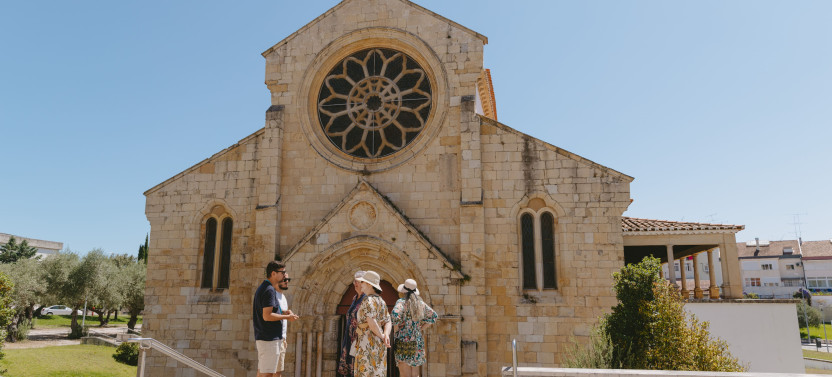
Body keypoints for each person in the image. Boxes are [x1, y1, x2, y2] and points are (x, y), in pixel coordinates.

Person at [253, 261, 299, 377]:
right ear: (273, 273)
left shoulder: (267, 288)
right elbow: (267, 315)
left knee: (266, 372)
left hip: (269, 338)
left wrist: (284, 312)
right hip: (269, 339)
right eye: (282, 272)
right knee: (268, 374)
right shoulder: (269, 290)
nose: (285, 275)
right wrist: (287, 317)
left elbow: (270, 310)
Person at [391, 279, 437, 377]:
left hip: (403, 340)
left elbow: (395, 315)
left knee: (404, 373)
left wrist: (397, 328)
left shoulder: (401, 302)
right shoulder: (420, 303)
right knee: (415, 374)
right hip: (417, 340)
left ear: (404, 291)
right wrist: (421, 328)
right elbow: (434, 316)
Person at [353, 270, 392, 377]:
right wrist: (386, 335)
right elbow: (388, 320)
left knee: (365, 372)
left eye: (363, 282)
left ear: (369, 284)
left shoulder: (368, 300)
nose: (361, 285)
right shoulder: (381, 301)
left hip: (367, 342)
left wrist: (382, 335)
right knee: (377, 372)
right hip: (379, 344)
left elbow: (371, 321)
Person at [338, 270, 367, 377]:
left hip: (360, 340)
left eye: (358, 281)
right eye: (355, 281)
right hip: (349, 340)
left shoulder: (367, 299)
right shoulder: (355, 298)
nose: (355, 283)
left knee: (360, 370)